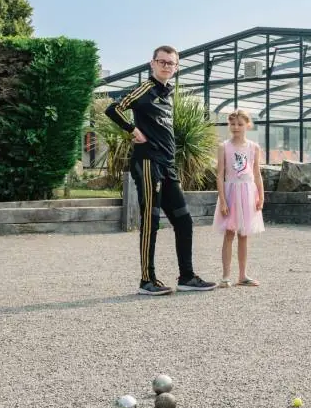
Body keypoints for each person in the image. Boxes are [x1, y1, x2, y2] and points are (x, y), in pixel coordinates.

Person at [106, 45, 216, 295]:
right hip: (147, 163)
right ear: (152, 64)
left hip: (167, 165)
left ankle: (186, 277)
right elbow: (113, 109)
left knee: (184, 221)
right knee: (151, 220)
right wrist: (132, 130)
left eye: (171, 63)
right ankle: (147, 280)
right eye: (162, 61)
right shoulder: (145, 89)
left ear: (176, 68)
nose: (166, 66)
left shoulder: (168, 94)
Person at [213, 110, 265, 287]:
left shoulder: (254, 147)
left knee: (244, 234)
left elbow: (257, 174)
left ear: (247, 125)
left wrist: (261, 196)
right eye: (233, 124)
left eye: (240, 124)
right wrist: (223, 200)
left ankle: (242, 275)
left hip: (248, 194)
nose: (236, 127)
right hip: (231, 193)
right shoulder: (224, 147)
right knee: (229, 233)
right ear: (229, 125)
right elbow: (220, 175)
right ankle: (226, 276)